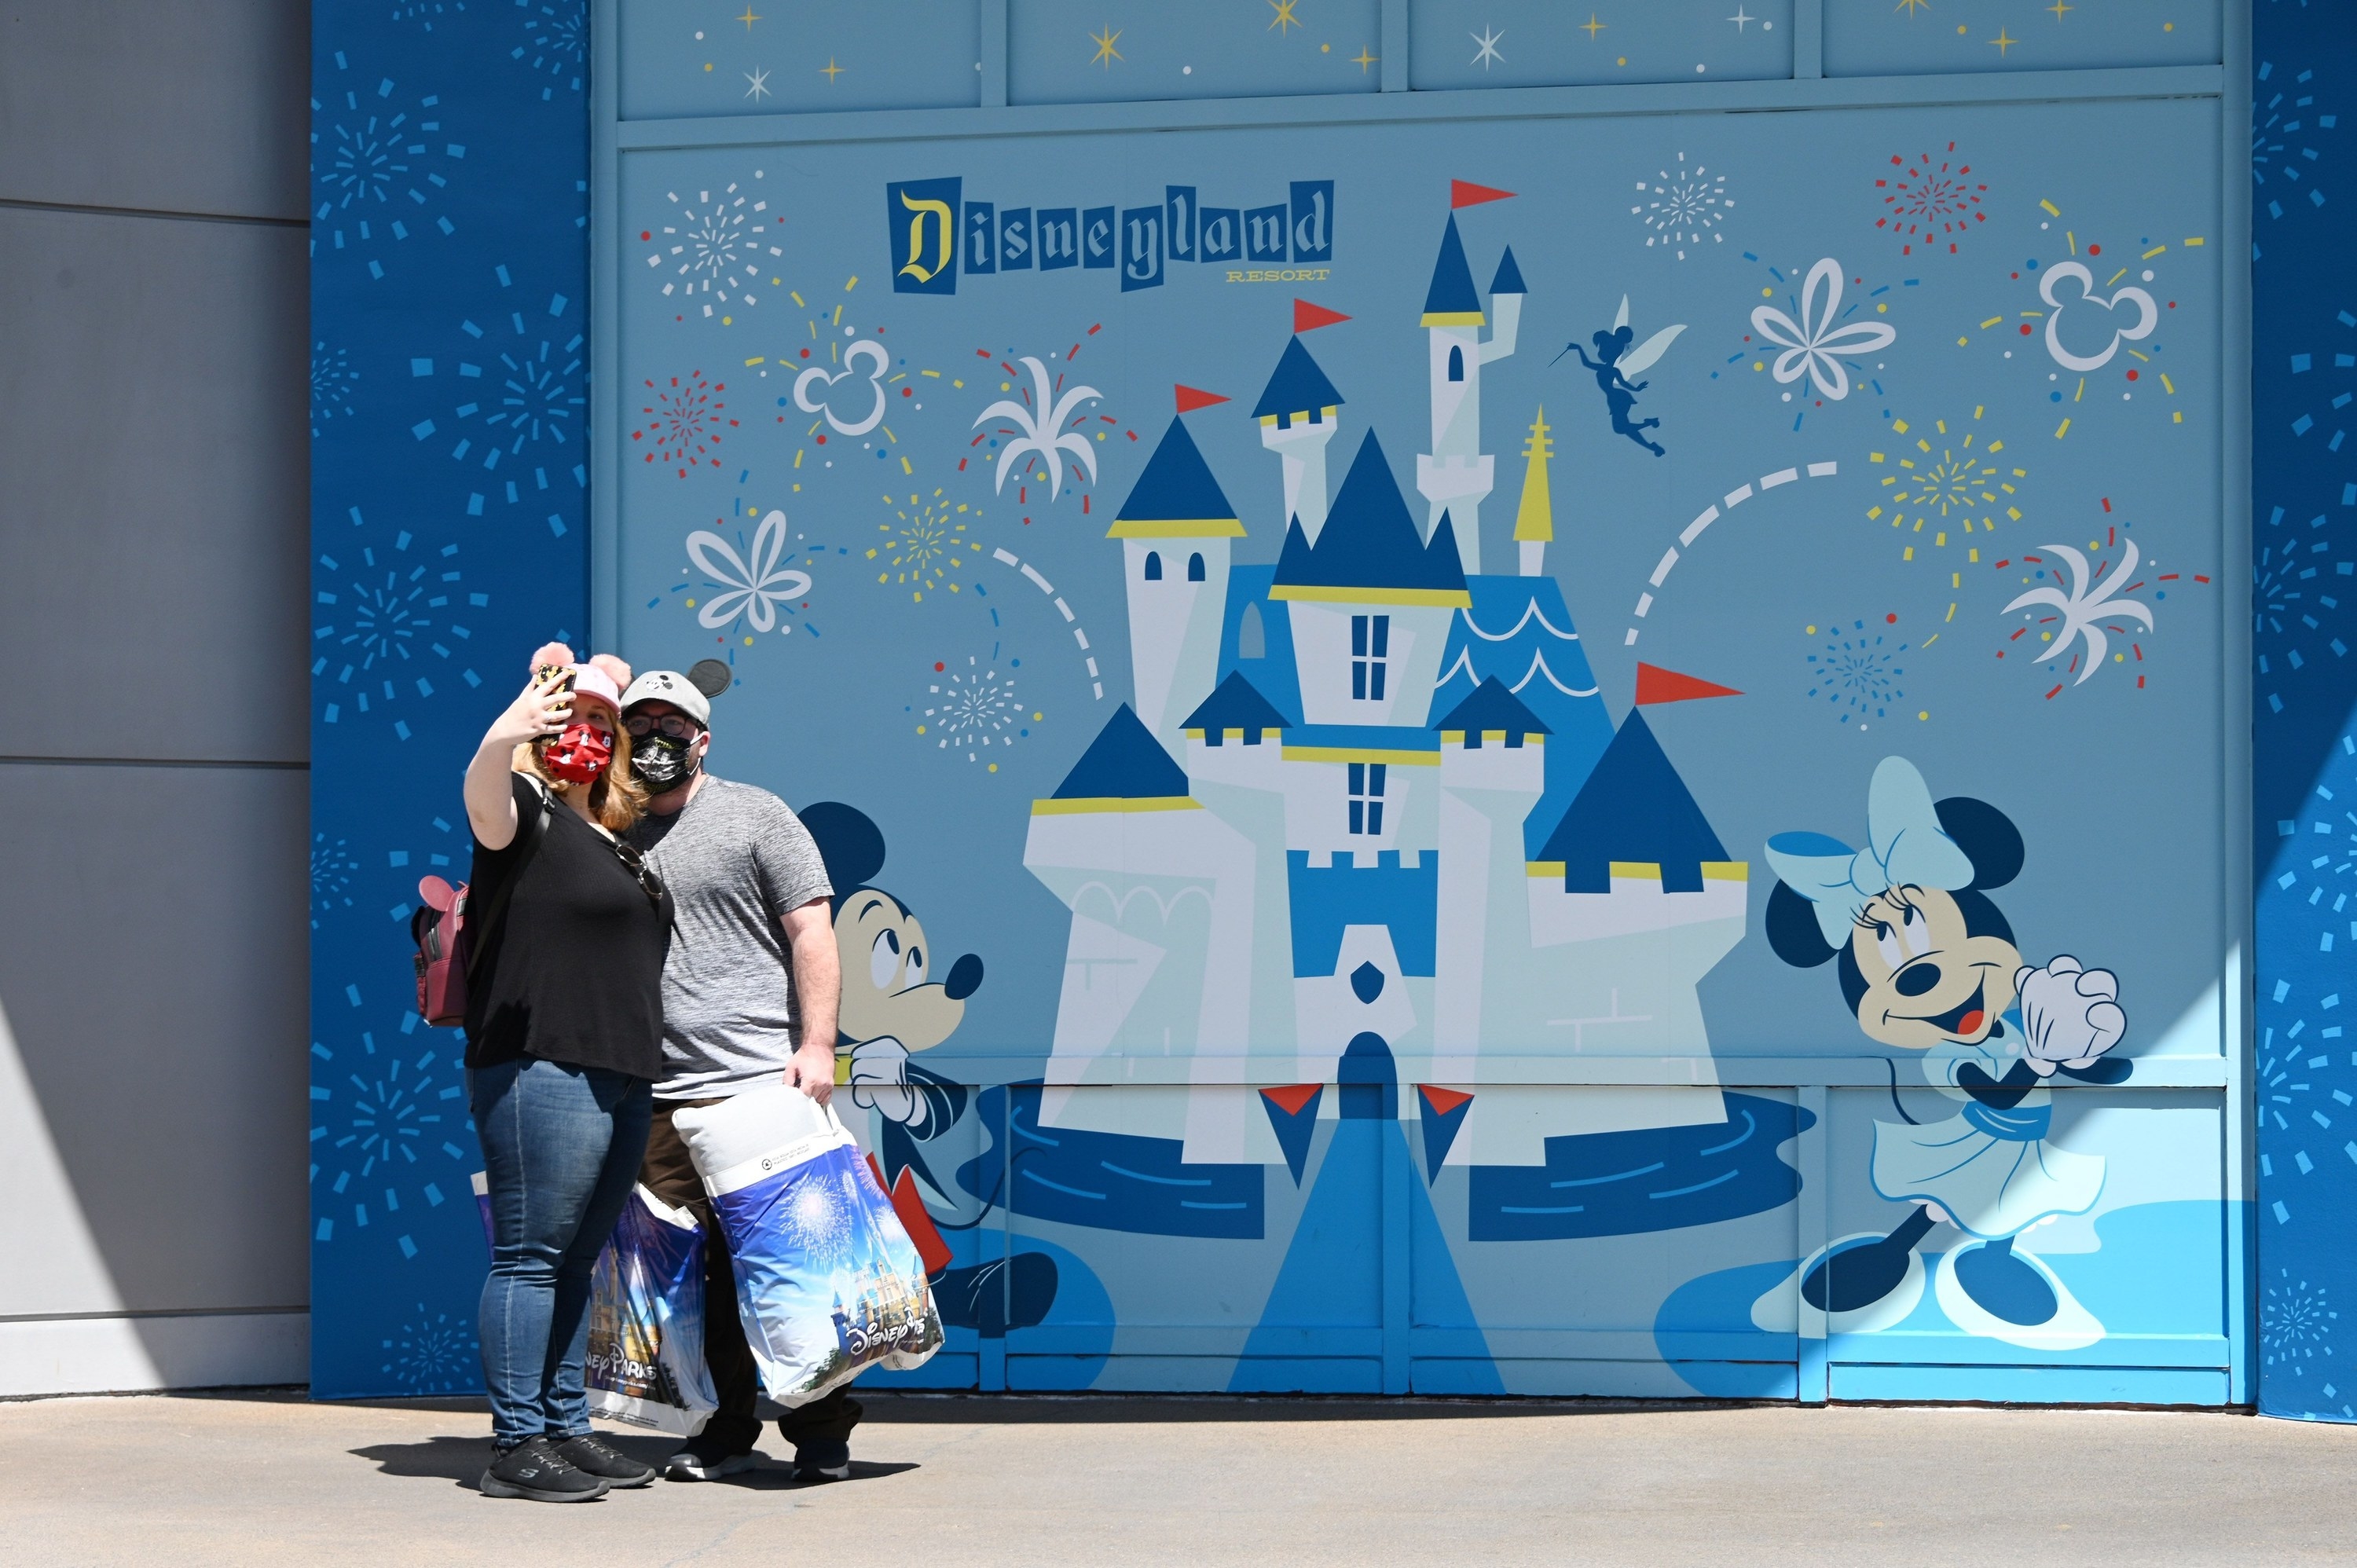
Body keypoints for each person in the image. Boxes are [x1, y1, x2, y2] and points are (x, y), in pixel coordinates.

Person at [617, 665, 860, 1485]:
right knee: (697, 1283)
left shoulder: (757, 815)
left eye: (671, 725)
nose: (656, 739)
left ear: (702, 738)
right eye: (639, 723)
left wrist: (819, 1044)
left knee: (789, 1265)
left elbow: (813, 930)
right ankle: (727, 1428)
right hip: (659, 1097)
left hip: (759, 1085)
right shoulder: (607, 827)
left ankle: (824, 1431)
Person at [462, 646, 675, 1502]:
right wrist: (503, 735)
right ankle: (516, 1447)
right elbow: (481, 792)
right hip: (542, 1064)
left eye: (601, 724)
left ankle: (562, 1426)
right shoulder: (521, 813)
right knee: (529, 1257)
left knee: (578, 1260)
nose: (585, 734)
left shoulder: (611, 838)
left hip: (620, 1072)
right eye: (573, 719)